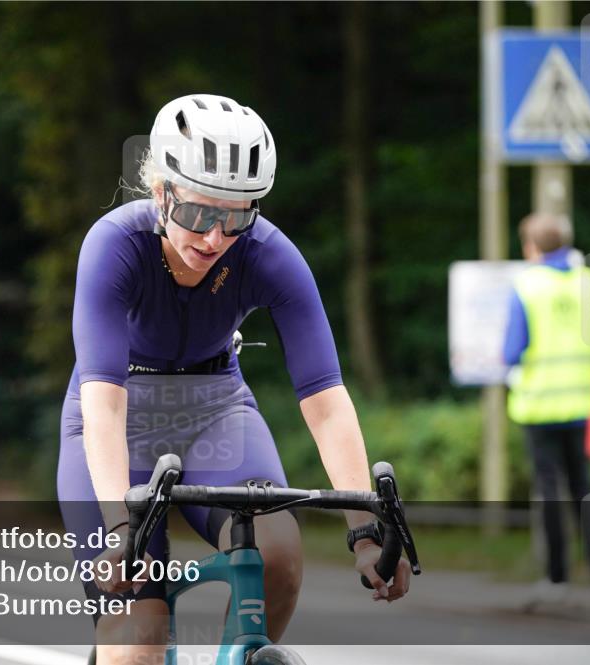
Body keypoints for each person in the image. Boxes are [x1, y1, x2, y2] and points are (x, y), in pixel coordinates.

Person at [58, 94, 411, 664]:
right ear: (160, 191)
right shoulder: (113, 245)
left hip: (216, 408)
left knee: (277, 554)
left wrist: (364, 531)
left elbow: (324, 398)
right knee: (140, 634)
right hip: (117, 418)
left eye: (237, 216)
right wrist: (121, 525)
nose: (215, 238)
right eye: (199, 213)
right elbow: (102, 403)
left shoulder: (269, 254)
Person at [503, 212, 590, 600]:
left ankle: (557, 578)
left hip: (538, 407)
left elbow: (511, 350)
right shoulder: (588, 281)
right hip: (584, 404)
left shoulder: (526, 286)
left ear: (532, 246)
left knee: (550, 491)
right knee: (584, 487)